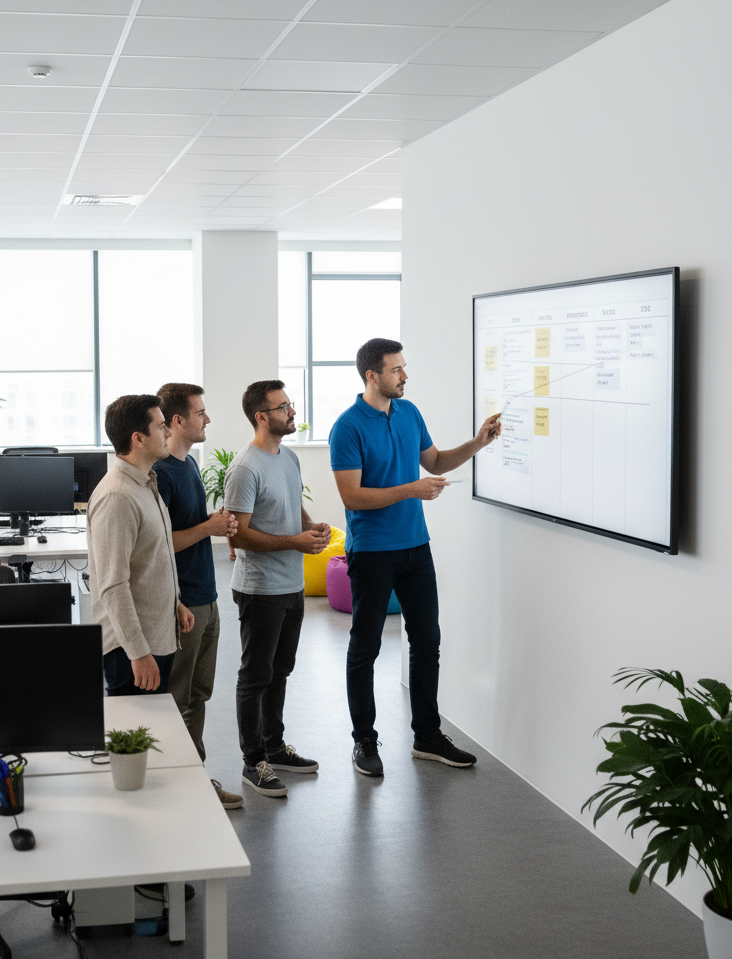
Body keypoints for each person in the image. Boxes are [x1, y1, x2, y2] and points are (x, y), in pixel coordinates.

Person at [329, 338, 502, 776]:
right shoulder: (347, 427)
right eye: (396, 370)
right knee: (364, 648)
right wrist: (412, 489)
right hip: (371, 552)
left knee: (428, 642)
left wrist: (478, 442)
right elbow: (352, 495)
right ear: (372, 375)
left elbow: (436, 460)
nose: (404, 376)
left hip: (415, 547)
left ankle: (427, 736)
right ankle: (364, 742)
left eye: (404, 368)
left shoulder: (409, 413)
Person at [225, 380, 331, 797]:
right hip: (260, 588)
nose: (291, 411)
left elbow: (291, 502)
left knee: (280, 671)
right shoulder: (245, 467)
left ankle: (274, 746)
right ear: (261, 416)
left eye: (291, 404)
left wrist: (309, 526)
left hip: (291, 585)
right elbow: (239, 537)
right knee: (255, 677)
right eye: (283, 406)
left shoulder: (287, 457)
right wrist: (294, 542)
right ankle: (254, 762)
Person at [154, 383, 242, 810]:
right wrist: (207, 528)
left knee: (198, 695)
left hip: (207, 597)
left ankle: (195, 777)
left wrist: (213, 524)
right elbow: (162, 544)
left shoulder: (188, 465)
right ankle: (179, 785)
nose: (207, 419)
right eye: (201, 413)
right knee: (177, 698)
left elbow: (190, 529)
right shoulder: (163, 474)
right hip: (184, 605)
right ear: (178, 421)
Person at [86, 394, 194, 696]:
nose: (169, 432)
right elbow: (113, 586)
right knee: (136, 739)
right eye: (161, 427)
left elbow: (149, 557)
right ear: (138, 438)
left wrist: (173, 601)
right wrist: (137, 653)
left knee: (154, 732)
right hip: (132, 649)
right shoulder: (118, 497)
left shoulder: (146, 483)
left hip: (156, 635)